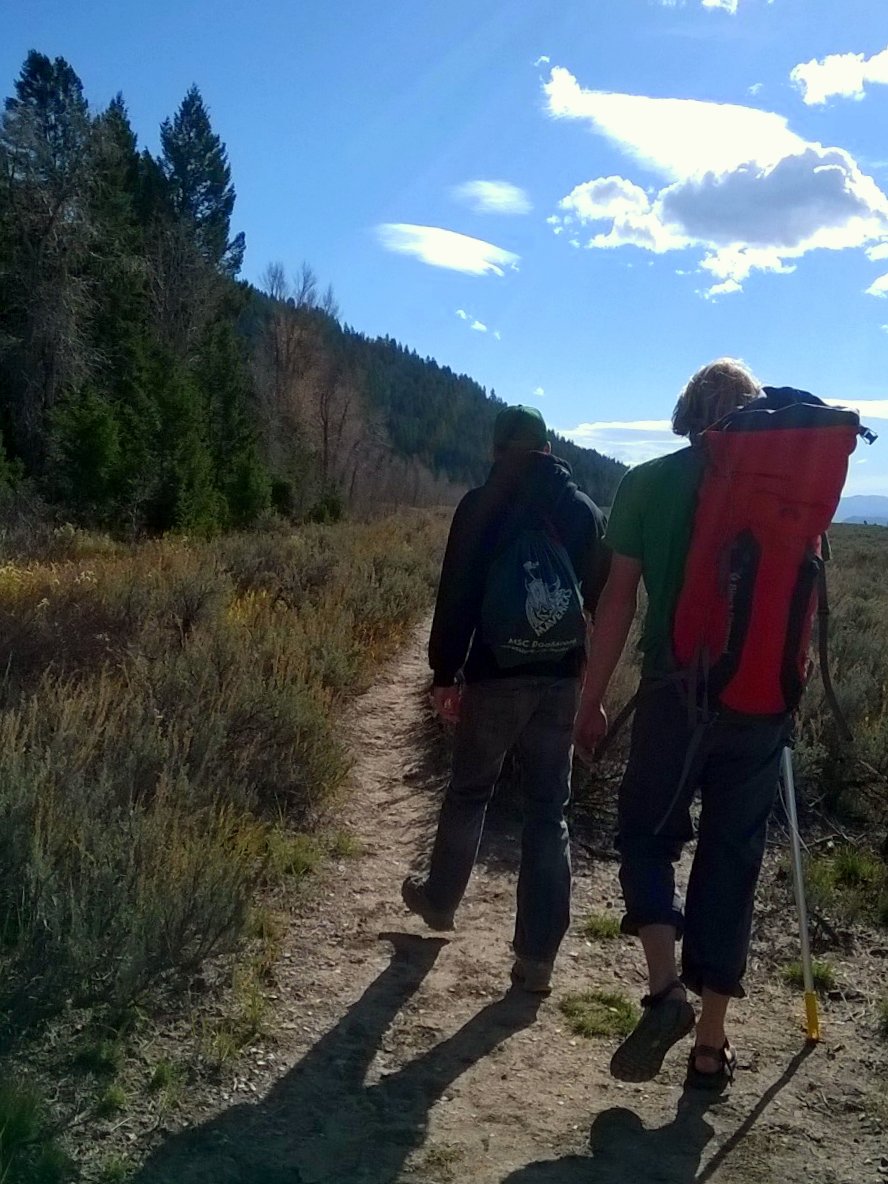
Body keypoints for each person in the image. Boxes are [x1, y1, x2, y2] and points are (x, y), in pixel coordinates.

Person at [574, 358, 788, 1089]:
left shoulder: (648, 483)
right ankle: (711, 1045)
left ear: (687, 409)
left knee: (645, 834)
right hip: (760, 705)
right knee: (733, 861)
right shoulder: (786, 487)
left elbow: (617, 603)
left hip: (674, 695)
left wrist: (591, 696)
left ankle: (665, 992)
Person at [402, 404, 608, 993]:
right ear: (548, 448)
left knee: (470, 789)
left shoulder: (480, 505)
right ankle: (537, 959)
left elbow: (457, 594)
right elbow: (596, 594)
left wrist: (446, 672)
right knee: (550, 813)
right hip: (561, 680)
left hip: (494, 675)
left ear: (497, 450)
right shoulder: (583, 510)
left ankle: (440, 901)